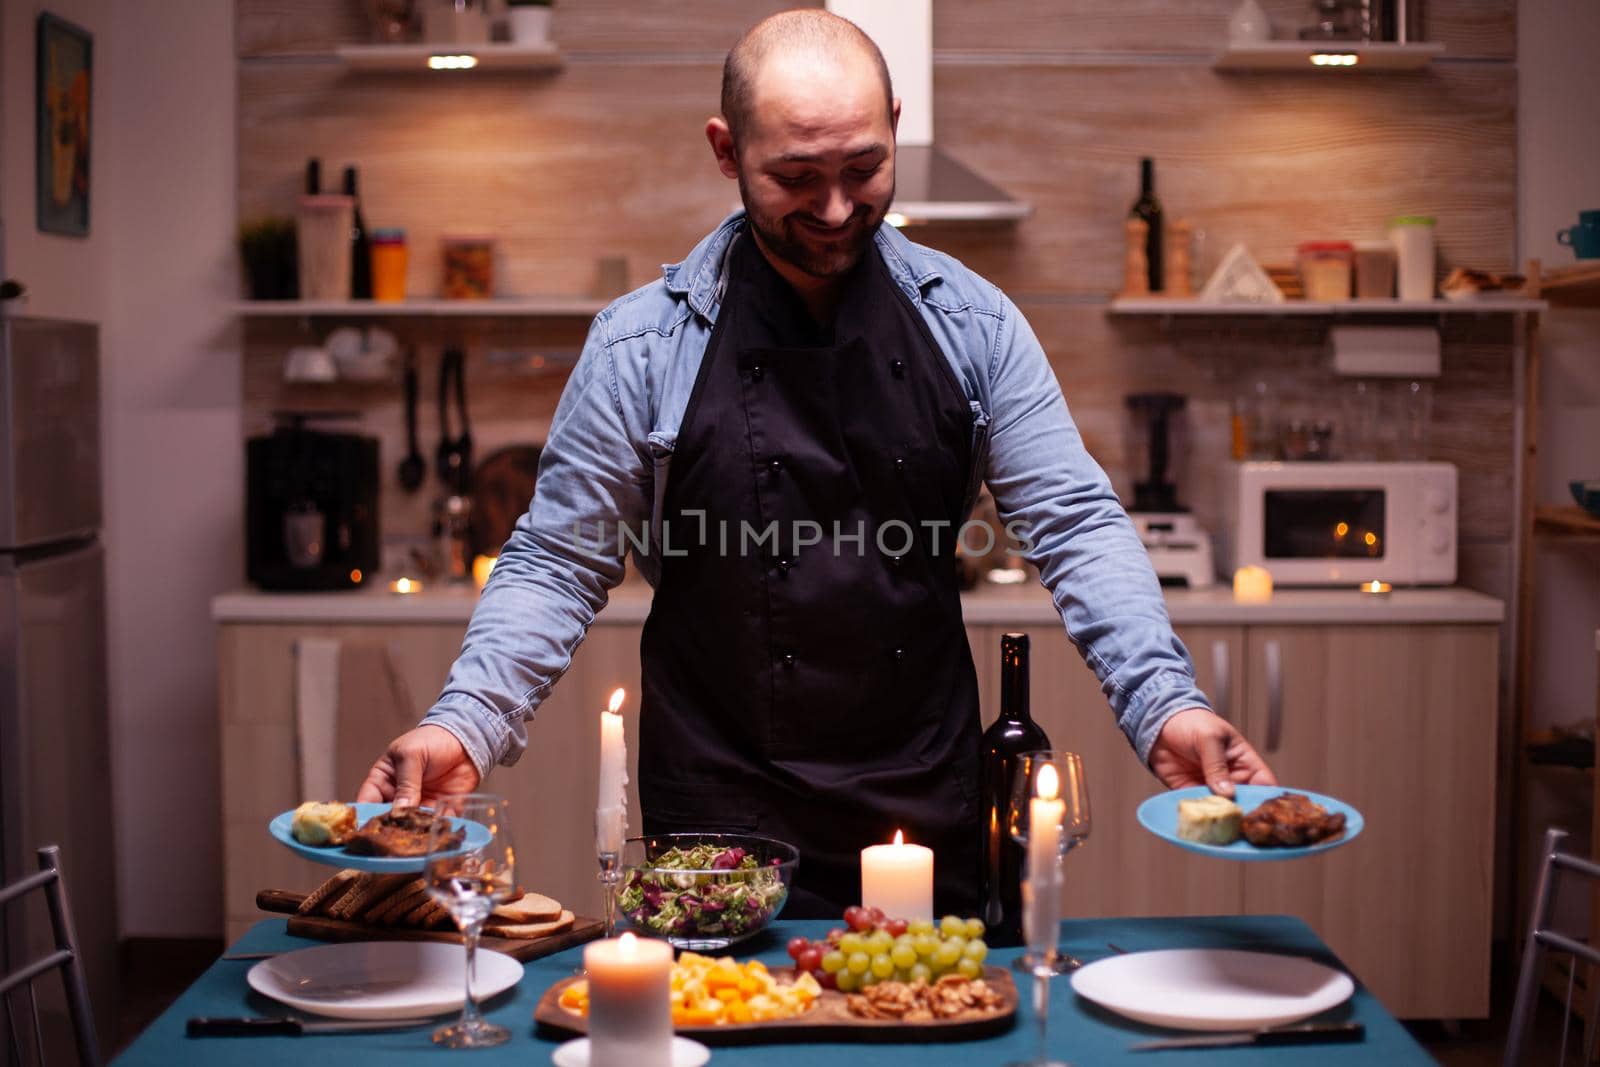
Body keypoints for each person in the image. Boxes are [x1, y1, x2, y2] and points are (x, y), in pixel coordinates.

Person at [359, 9, 1277, 917]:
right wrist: (465, 723)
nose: (837, 209)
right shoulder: (639, 344)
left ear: (896, 130)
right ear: (726, 151)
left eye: (863, 168)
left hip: (925, 802)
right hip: (719, 811)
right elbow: (560, 560)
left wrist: (1164, 702)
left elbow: (1074, 525)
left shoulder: (976, 325)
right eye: (797, 177)